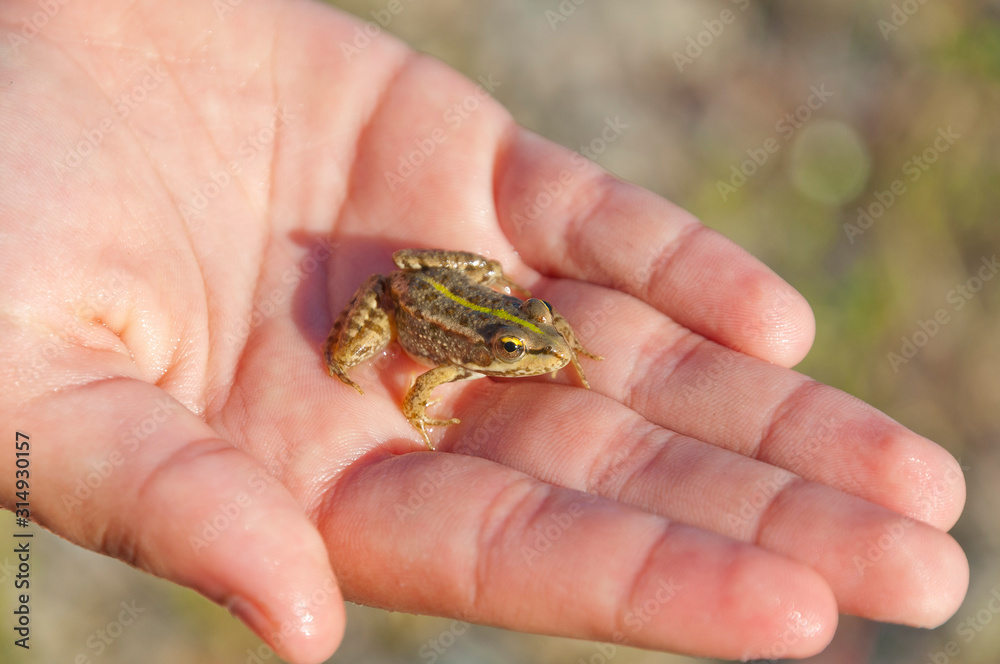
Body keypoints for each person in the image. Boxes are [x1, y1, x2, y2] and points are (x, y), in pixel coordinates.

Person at [0, 1, 967, 662]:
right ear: (493, 355)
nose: (545, 348)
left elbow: (527, 322)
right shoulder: (455, 354)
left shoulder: (526, 329)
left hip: (461, 291)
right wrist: (400, 404)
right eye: (524, 350)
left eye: (539, 337)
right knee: (355, 343)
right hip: (405, 299)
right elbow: (421, 387)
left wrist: (530, 327)